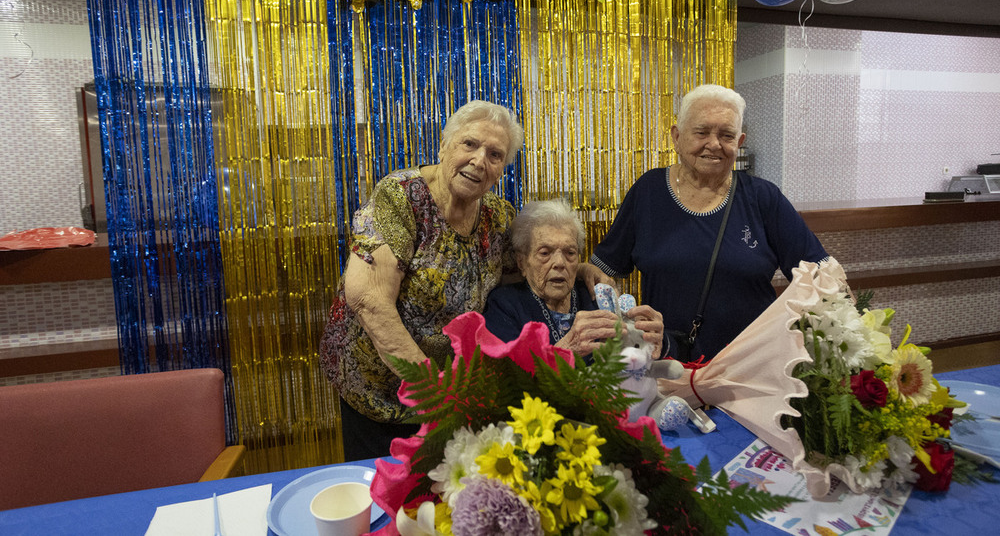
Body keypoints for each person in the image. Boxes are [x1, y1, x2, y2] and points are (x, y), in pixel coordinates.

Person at [320, 100, 523, 462]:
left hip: (451, 396)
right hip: (379, 392)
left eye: (495, 154)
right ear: (444, 145)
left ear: (502, 169)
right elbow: (369, 300)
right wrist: (434, 393)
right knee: (386, 502)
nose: (479, 160)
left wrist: (582, 270)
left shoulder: (499, 217)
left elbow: (523, 273)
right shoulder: (402, 198)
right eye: (470, 144)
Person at [589, 84, 828, 361]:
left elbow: (821, 276)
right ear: (676, 137)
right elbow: (604, 270)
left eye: (726, 135)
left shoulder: (763, 198)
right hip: (668, 367)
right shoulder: (649, 192)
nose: (714, 144)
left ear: (739, 143)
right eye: (701, 132)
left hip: (751, 368)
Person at [483, 199, 665, 359]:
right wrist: (566, 349)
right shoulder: (505, 305)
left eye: (570, 253)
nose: (559, 263)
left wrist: (654, 339)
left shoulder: (595, 296)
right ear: (522, 262)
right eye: (545, 253)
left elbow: (636, 354)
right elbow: (506, 377)